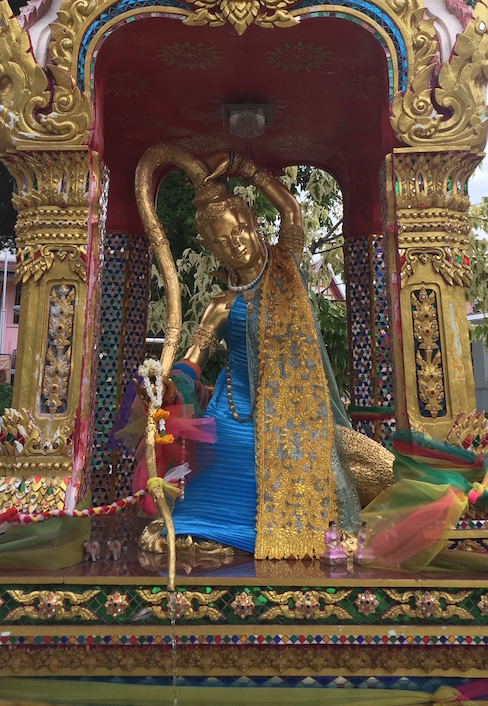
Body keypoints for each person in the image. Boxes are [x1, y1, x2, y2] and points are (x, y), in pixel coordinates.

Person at [130, 147, 365, 561]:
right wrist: (165, 385)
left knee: (321, 467)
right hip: (235, 409)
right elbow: (192, 357)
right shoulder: (220, 304)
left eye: (240, 230)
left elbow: (291, 209)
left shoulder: (286, 264)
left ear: (254, 226)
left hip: (294, 409)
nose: (235, 244)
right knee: (216, 471)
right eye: (222, 242)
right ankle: (208, 527)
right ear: (212, 250)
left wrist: (246, 169)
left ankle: (295, 531)